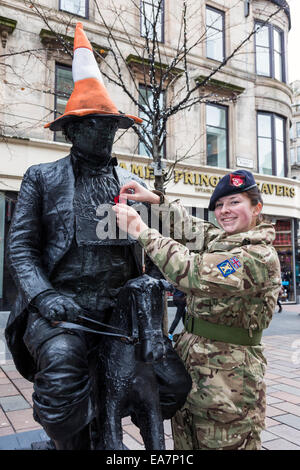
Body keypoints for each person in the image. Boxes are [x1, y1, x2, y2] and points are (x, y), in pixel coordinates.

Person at [5, 23, 190, 450]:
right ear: (71, 131)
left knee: (172, 385)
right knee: (63, 384)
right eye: (95, 124)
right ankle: (71, 441)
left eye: (111, 125)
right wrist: (44, 296)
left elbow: (157, 241)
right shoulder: (43, 177)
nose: (106, 132)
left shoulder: (130, 181)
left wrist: (172, 276)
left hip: (123, 312)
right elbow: (20, 247)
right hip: (63, 310)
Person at [113, 169, 282, 450]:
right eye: (219, 205)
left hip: (229, 384)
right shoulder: (223, 240)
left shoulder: (256, 256)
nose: (224, 211)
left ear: (257, 208)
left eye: (234, 202)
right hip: (196, 372)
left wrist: (141, 230)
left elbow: (193, 274)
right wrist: (156, 200)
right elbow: (191, 226)